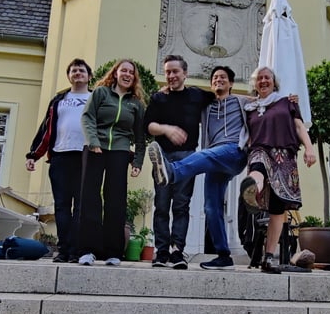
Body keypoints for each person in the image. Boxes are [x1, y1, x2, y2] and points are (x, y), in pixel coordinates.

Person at [148, 65, 248, 269]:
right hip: (214, 161)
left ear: (231, 83)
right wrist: (165, 91)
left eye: (223, 77)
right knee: (211, 208)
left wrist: (289, 100)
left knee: (204, 155)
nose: (218, 80)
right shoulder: (207, 105)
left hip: (234, 152)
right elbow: (185, 95)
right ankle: (223, 256)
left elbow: (265, 101)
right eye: (215, 78)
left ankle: (172, 172)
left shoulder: (242, 101)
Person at [240, 66, 316, 274]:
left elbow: (299, 127)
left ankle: (268, 257)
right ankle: (252, 191)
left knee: (277, 209)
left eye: (267, 77)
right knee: (258, 167)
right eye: (259, 78)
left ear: (274, 82)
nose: (263, 81)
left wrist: (309, 149)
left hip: (284, 155)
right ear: (255, 84)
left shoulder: (287, 102)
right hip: (259, 148)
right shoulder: (250, 107)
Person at [144, 55, 213, 269]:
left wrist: (258, 98)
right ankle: (162, 252)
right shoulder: (159, 98)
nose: (171, 75)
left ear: (185, 73)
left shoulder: (197, 95)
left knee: (181, 206)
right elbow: (148, 126)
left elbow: (223, 95)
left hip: (187, 158)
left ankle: (177, 252)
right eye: (168, 72)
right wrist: (167, 129)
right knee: (161, 206)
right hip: (162, 158)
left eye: (175, 71)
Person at [77, 59, 146, 266]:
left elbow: (140, 136)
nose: (127, 74)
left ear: (134, 78)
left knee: (116, 200)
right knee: (90, 198)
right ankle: (88, 250)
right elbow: (87, 117)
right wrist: (93, 141)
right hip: (95, 148)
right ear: (115, 73)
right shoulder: (101, 93)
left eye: (131, 72)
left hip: (120, 150)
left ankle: (113, 252)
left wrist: (138, 162)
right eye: (123, 70)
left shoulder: (136, 104)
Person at [25, 58, 92, 263]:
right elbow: (46, 130)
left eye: (81, 70)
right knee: (62, 207)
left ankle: (76, 251)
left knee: (81, 207)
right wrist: (33, 155)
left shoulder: (95, 98)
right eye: (74, 70)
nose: (77, 73)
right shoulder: (58, 100)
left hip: (86, 157)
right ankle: (63, 250)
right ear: (69, 76)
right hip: (60, 156)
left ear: (89, 76)